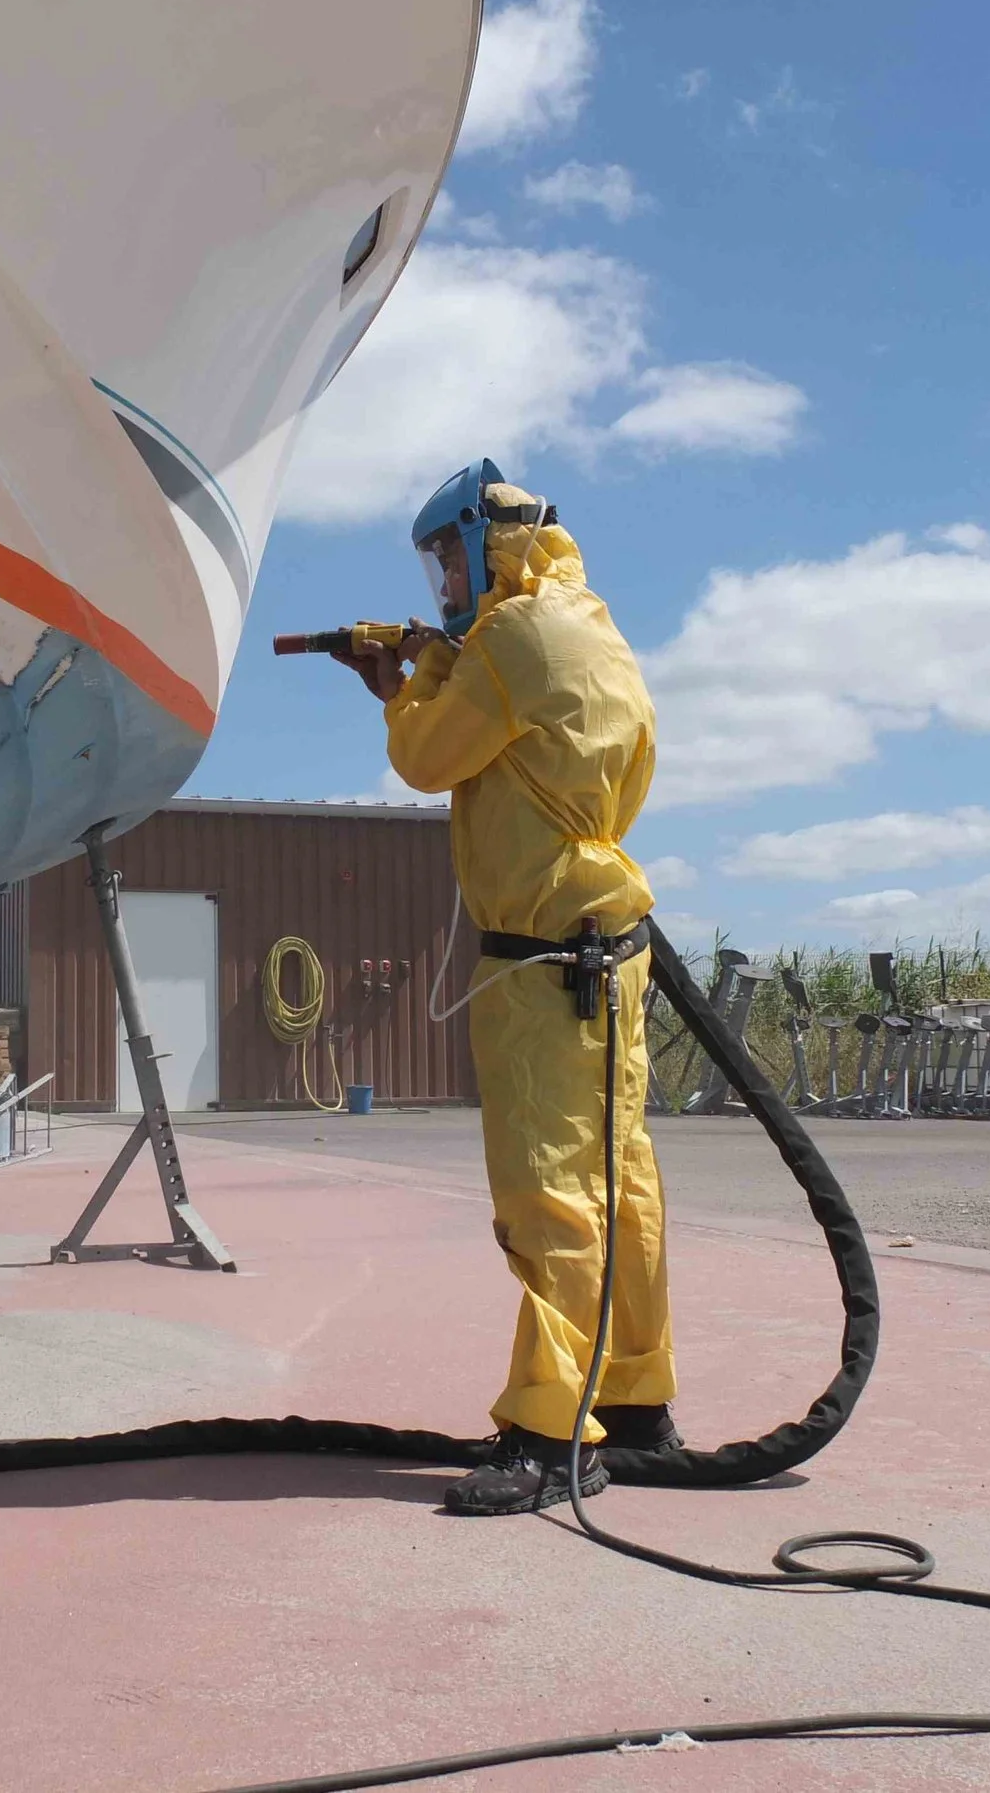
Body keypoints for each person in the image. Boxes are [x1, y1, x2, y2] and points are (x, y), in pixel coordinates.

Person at [335, 462, 680, 1515]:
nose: (443, 583)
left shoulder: (507, 639)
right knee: (619, 1181)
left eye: (449, 559)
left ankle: (550, 1431)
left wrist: (401, 681)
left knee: (547, 1190)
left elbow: (427, 761)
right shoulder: (585, 622)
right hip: (607, 943)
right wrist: (446, 654)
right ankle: (635, 1406)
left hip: (541, 956)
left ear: (491, 546)